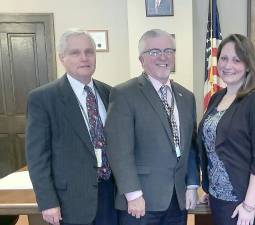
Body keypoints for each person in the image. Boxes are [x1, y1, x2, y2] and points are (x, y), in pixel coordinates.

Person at [105, 29, 199, 225]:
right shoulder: (124, 94)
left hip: (177, 200)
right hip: (141, 202)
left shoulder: (186, 97)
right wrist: (133, 194)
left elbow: (191, 146)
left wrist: (191, 185)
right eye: (154, 52)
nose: (163, 57)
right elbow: (119, 150)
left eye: (169, 50)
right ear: (141, 59)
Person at [25, 29, 118, 225]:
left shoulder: (110, 93)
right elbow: (37, 158)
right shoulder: (43, 99)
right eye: (75, 53)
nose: (84, 58)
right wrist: (47, 201)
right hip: (70, 201)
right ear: (62, 58)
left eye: (89, 51)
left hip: (110, 195)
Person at [198, 34, 255, 225]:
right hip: (219, 197)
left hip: (243, 200)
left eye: (237, 60)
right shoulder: (217, 98)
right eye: (224, 58)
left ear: (248, 64)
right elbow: (214, 147)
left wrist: (249, 205)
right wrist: (211, 188)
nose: (228, 65)